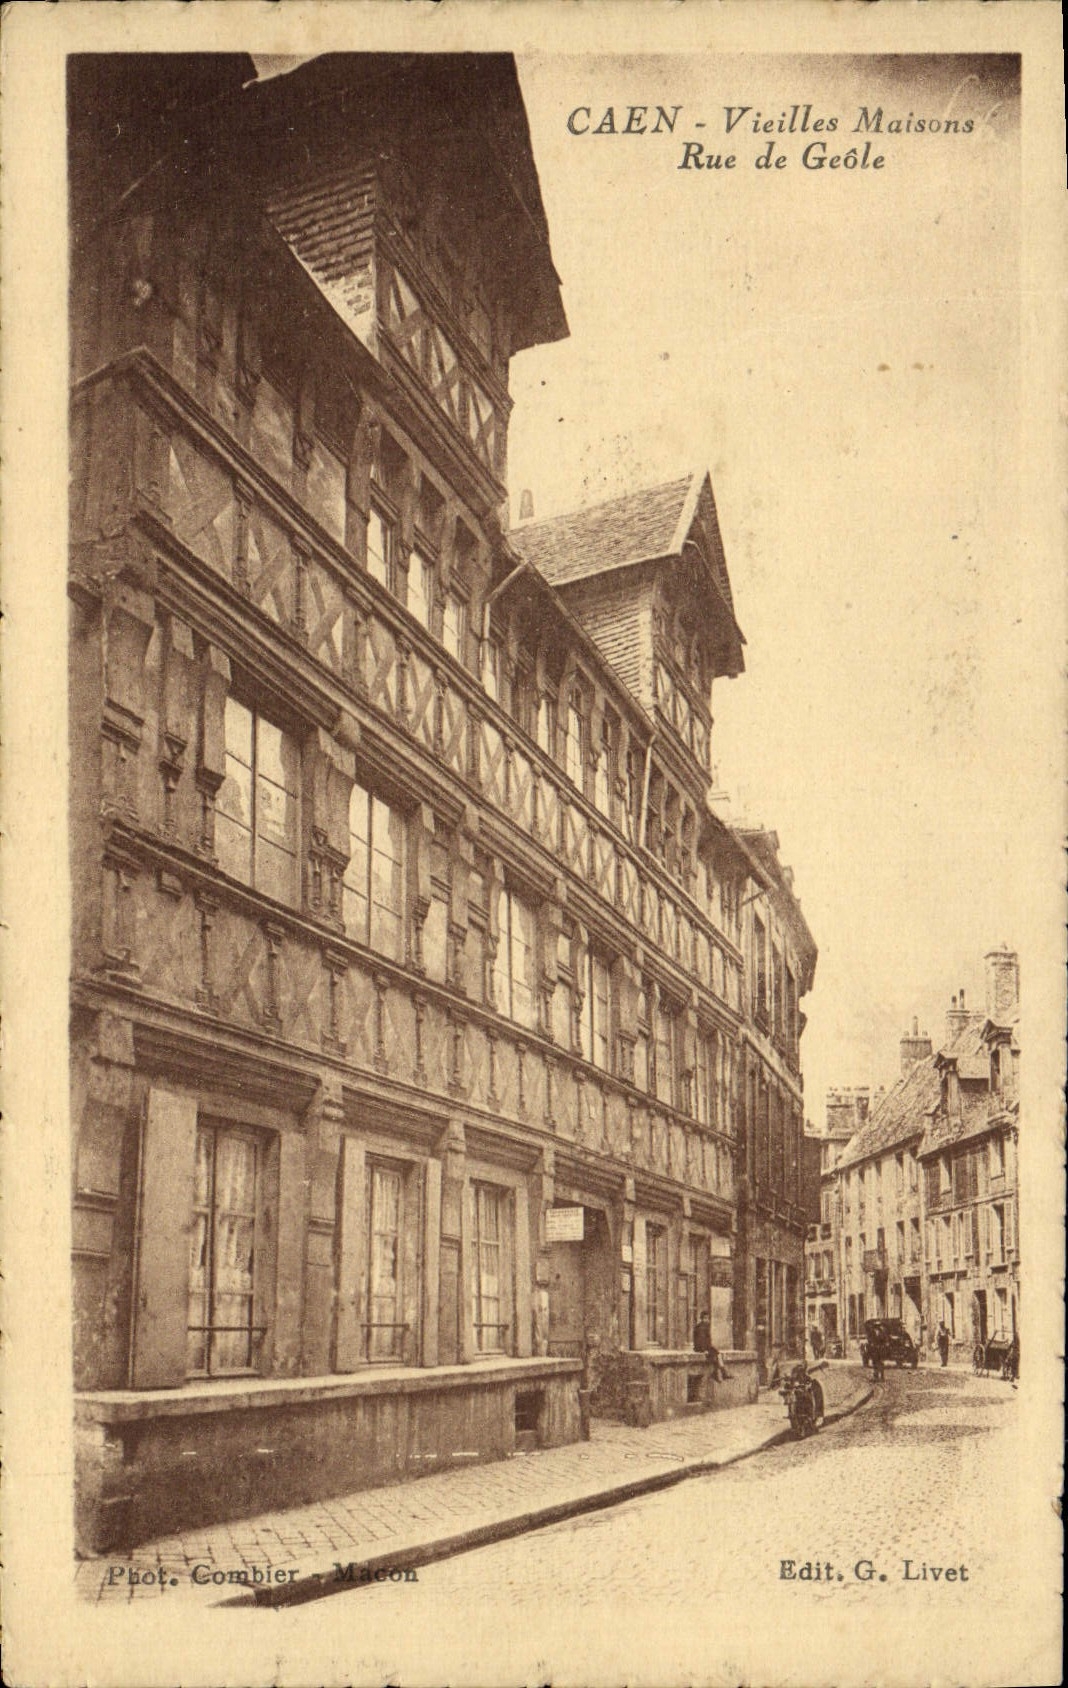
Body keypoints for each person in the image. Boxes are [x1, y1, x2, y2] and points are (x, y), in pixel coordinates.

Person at [693, 1311, 729, 1381]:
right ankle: (720, 1373)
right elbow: (700, 1340)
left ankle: (723, 1372)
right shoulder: (700, 1327)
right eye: (705, 1318)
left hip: (706, 1347)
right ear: (702, 1319)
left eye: (707, 1318)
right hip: (700, 1348)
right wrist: (704, 1350)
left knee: (718, 1354)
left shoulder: (705, 1326)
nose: (707, 1320)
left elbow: (707, 1340)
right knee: (714, 1356)